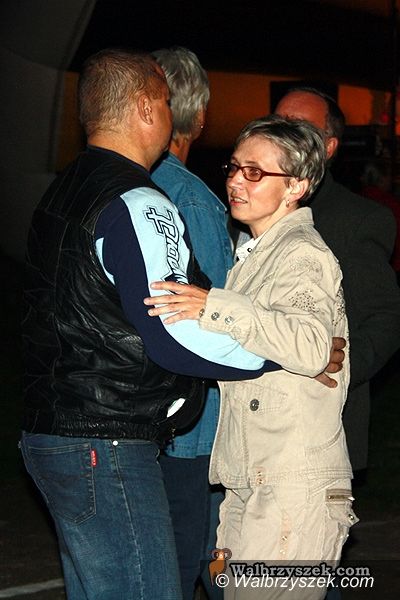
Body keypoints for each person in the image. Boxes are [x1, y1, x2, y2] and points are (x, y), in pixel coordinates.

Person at [19, 49, 289, 600]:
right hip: (106, 441)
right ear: (145, 109)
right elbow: (174, 331)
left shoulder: (63, 188)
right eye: (165, 102)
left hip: (54, 432)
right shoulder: (139, 200)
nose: (172, 115)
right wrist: (282, 353)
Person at [145, 115, 357, 599]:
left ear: (296, 186)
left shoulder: (301, 253)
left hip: (291, 484)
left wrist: (213, 305)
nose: (237, 181)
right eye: (235, 167)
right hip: (253, 479)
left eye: (255, 172)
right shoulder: (255, 255)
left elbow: (310, 346)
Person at [274, 88, 400, 477]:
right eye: (277, 123)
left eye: (298, 126)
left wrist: (334, 372)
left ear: (328, 147)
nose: (283, 133)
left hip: (318, 433)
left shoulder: (356, 219)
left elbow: (383, 319)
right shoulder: (245, 207)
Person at [150, 47, 229, 600]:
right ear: (198, 117)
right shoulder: (193, 200)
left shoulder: (125, 183)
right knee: (201, 554)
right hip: (192, 425)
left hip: (144, 413)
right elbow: (216, 313)